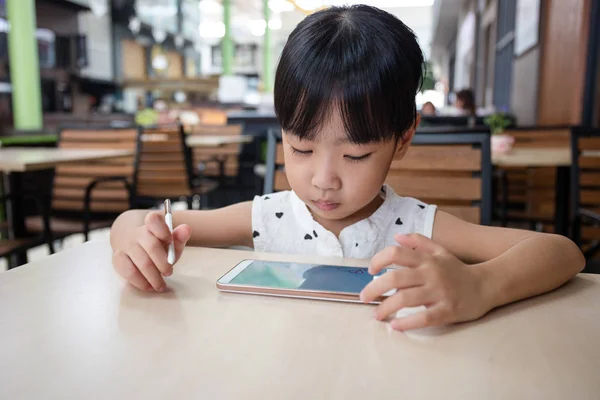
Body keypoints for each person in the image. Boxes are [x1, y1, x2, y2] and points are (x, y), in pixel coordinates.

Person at [110, 5, 584, 331]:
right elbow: (153, 224)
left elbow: (562, 251)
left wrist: (481, 285)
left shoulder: (415, 228)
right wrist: (131, 230)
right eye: (299, 148)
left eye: (355, 155)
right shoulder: (269, 216)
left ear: (403, 138)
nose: (323, 179)